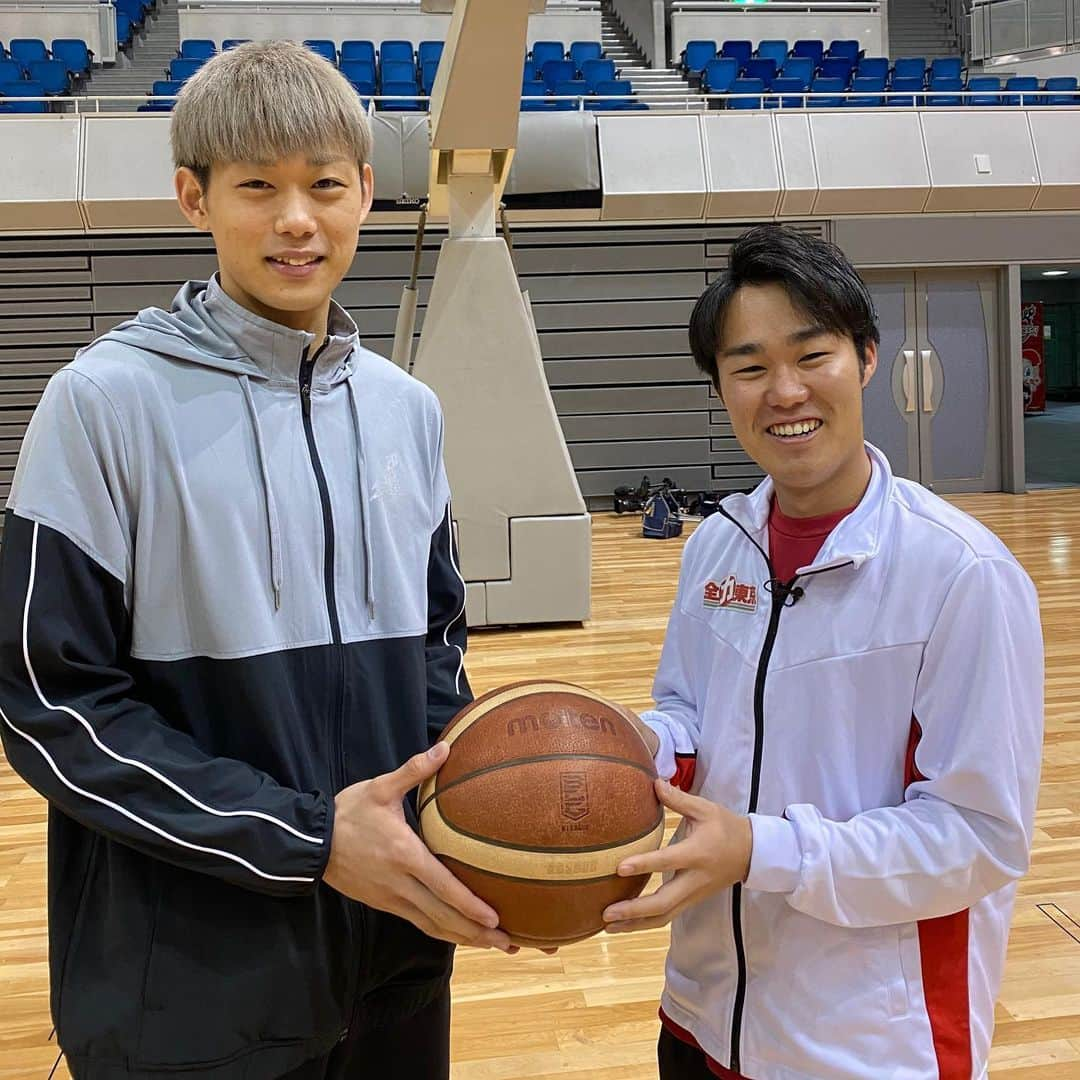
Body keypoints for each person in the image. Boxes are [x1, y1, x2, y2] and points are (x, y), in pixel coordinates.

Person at [0, 41, 513, 1080]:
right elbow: (49, 705)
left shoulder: (405, 411)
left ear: (366, 190)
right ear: (194, 198)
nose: (297, 219)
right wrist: (306, 840)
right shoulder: (104, 404)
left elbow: (437, 652)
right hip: (192, 978)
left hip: (393, 952)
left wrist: (485, 829)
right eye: (257, 188)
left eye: (325, 184)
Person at [603, 225, 1044, 1080]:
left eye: (813, 354)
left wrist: (762, 851)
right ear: (721, 386)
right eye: (750, 366)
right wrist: (634, 743)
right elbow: (695, 719)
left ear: (868, 356)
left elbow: (978, 838)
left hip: (868, 1047)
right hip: (700, 1017)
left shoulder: (963, 574)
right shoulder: (717, 546)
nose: (785, 391)